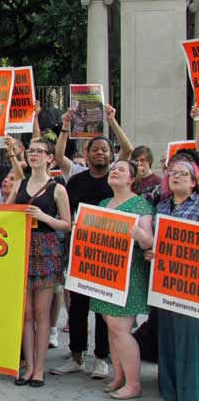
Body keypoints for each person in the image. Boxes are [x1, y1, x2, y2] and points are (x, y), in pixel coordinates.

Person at [7, 138, 71, 388]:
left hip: (45, 249)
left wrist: (44, 216)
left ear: (49, 158)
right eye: (31, 151)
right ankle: (29, 365)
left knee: (42, 313)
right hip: (22, 248)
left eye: (39, 152)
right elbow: (4, 212)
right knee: (26, 313)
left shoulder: (57, 188)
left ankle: (40, 368)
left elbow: (67, 224)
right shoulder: (20, 183)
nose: (33, 155)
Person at [51, 135, 115, 379]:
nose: (100, 153)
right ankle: (76, 356)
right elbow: (67, 213)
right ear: (86, 155)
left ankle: (101, 359)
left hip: (108, 254)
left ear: (111, 154)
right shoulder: (76, 181)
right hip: (80, 252)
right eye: (95, 150)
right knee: (78, 307)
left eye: (104, 150)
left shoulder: (116, 180)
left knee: (102, 308)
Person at [90, 160, 154, 399]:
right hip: (105, 274)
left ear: (131, 179)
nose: (114, 171)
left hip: (129, 275)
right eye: (113, 168)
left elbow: (149, 242)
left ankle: (134, 383)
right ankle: (119, 376)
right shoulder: (104, 204)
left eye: (121, 170)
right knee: (111, 327)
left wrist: (140, 235)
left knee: (120, 329)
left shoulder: (140, 205)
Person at [145, 159, 199, 401]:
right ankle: (169, 387)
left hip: (189, 284)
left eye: (182, 174)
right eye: (172, 173)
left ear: (194, 182)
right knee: (166, 334)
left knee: (189, 338)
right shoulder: (162, 207)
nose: (176, 177)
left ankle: (190, 390)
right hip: (164, 283)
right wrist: (151, 251)